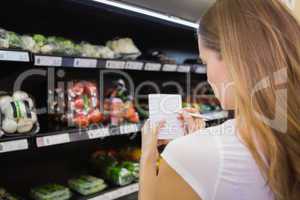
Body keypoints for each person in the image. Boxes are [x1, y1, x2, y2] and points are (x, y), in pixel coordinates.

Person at [139, 0, 300, 200]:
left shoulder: (187, 154)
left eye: (205, 61)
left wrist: (148, 157)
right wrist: (195, 144)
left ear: (233, 57)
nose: (207, 76)